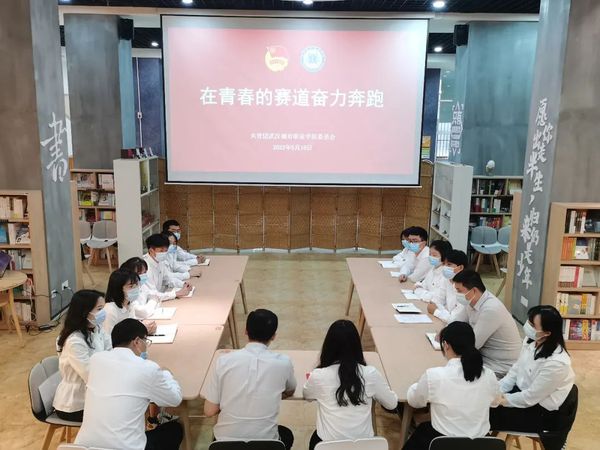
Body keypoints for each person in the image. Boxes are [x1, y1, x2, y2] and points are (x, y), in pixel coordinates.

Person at [75, 319, 183, 450]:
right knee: (174, 430)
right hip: (124, 447)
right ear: (137, 341)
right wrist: (166, 374)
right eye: (146, 341)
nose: (146, 346)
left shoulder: (96, 360)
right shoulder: (147, 368)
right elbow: (175, 399)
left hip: (82, 446)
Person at [204, 309, 296, 449]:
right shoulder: (284, 362)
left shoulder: (224, 361)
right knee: (286, 435)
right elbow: (291, 390)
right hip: (267, 444)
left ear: (246, 331)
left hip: (225, 444)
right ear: (273, 336)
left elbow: (209, 411)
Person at [490, 306, 576, 450]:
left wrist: (502, 400)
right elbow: (515, 371)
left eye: (533, 325)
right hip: (524, 394)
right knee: (482, 404)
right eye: (529, 321)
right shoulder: (531, 340)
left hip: (541, 413)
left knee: (486, 414)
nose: (528, 326)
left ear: (547, 333)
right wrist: (497, 390)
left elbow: (530, 397)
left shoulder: (557, 363)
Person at [403, 322, 499, 450]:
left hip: (443, 443)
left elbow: (414, 401)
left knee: (421, 430)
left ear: (446, 345)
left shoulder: (435, 376)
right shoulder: (489, 375)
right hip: (481, 444)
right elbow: (494, 403)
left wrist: (417, 384)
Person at [303, 320, 398, 449]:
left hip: (327, 445)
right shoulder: (370, 374)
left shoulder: (319, 375)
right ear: (357, 346)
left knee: (314, 440)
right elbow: (392, 404)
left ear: (328, 347)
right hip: (364, 446)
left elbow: (307, 395)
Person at [53, 290, 112, 422]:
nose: (103, 313)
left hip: (93, 394)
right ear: (85, 312)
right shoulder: (75, 341)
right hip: (75, 404)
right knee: (120, 410)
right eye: (99, 309)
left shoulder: (96, 328)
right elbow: (90, 376)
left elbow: (111, 351)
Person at [450, 270, 522, 377]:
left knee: (451, 374)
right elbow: (455, 323)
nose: (457, 294)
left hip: (498, 367)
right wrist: (444, 333)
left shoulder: (491, 309)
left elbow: (473, 344)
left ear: (474, 290)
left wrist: (448, 343)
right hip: (483, 358)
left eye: (459, 290)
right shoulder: (473, 301)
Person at [103, 268, 157, 335]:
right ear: (118, 288)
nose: (136, 289)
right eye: (131, 286)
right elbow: (109, 338)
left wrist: (143, 329)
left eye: (136, 285)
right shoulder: (110, 310)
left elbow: (132, 328)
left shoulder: (129, 304)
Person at [142, 234, 191, 301]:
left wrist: (183, 284)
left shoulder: (160, 261)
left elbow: (168, 279)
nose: (164, 253)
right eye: (161, 251)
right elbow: (152, 294)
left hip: (158, 299)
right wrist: (176, 294)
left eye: (166, 250)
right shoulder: (144, 267)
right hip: (149, 302)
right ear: (151, 250)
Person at [426, 249, 469, 322]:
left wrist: (437, 311)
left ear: (460, 267)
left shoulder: (466, 287)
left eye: (449, 264)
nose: (445, 267)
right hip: (444, 321)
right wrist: (444, 312)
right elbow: (435, 301)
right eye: (444, 264)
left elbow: (455, 319)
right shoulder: (447, 279)